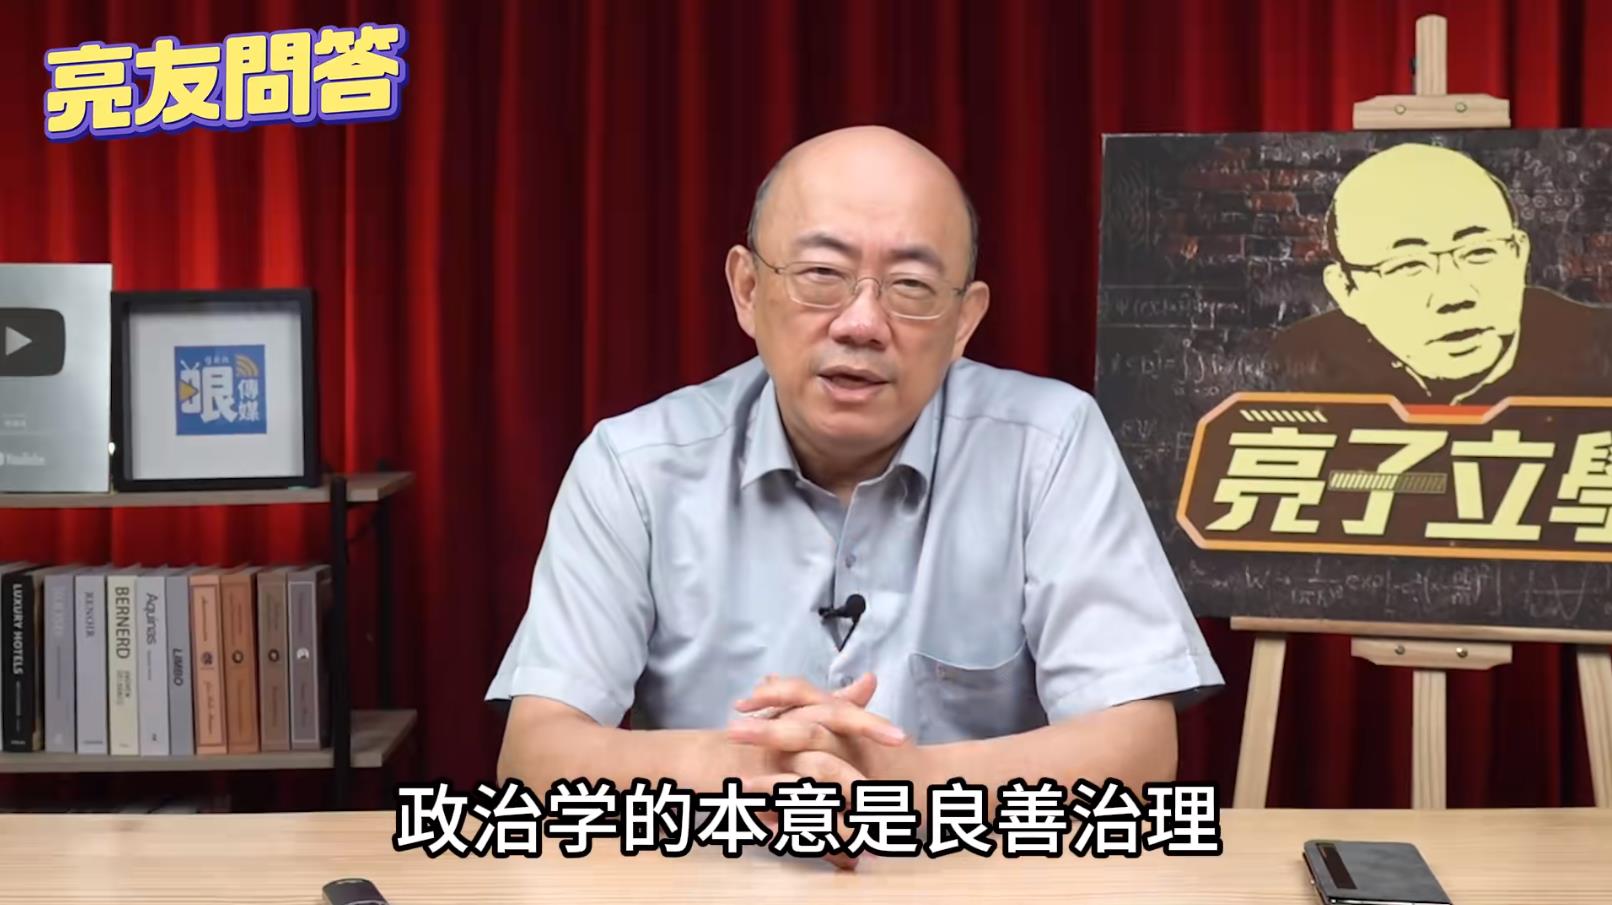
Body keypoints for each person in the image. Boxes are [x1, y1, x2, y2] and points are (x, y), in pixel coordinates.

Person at [487, 125, 1222, 864]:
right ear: (748, 290)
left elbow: (1137, 749)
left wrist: (911, 786)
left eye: (911, 287)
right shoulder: (634, 466)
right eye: (821, 274)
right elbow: (536, 757)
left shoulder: (1050, 445)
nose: (863, 323)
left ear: (964, 321)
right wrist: (751, 769)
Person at [1272, 142, 1612, 405]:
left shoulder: (1600, 348)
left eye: (1479, 253)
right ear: (1347, 291)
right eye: (1408, 266)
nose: (1455, 297)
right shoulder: (1303, 363)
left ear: (1518, 255)